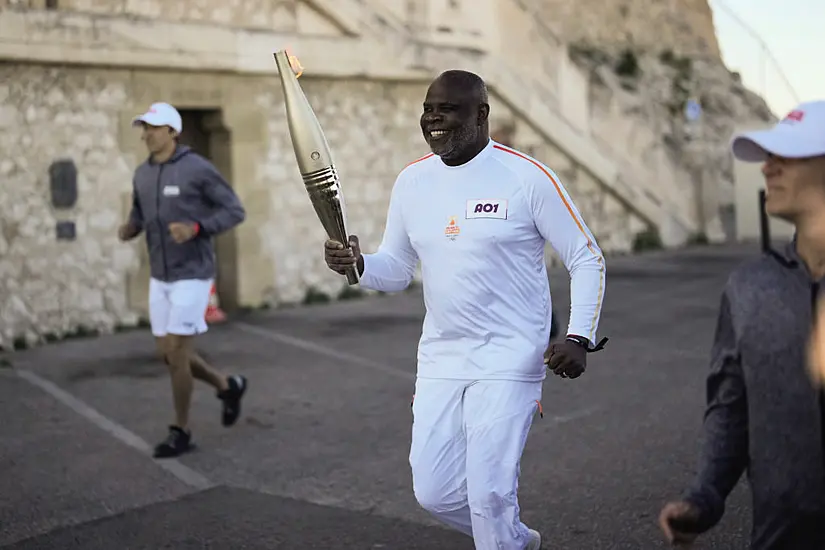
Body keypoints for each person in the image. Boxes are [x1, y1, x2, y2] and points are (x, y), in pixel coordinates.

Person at [324, 70, 608, 549]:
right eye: (427, 108)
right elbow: (395, 269)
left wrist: (579, 337)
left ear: (482, 115)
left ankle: (501, 537)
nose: (433, 118)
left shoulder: (526, 177)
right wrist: (358, 265)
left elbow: (586, 257)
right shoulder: (412, 181)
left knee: (489, 494)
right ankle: (516, 542)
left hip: (511, 358)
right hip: (442, 359)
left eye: (447, 109)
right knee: (433, 493)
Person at [658, 100, 825, 549]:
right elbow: (731, 409)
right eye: (767, 157)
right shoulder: (749, 287)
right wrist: (704, 497)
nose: (768, 169)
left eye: (786, 155)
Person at [118, 102, 249, 459]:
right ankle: (227, 386)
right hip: (160, 276)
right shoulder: (142, 174)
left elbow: (235, 210)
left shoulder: (197, 169)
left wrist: (196, 227)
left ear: (173, 132)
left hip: (193, 274)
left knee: (177, 355)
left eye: (154, 127)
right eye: (144, 127)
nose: (147, 134)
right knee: (169, 355)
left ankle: (181, 430)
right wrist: (131, 227)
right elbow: (139, 215)